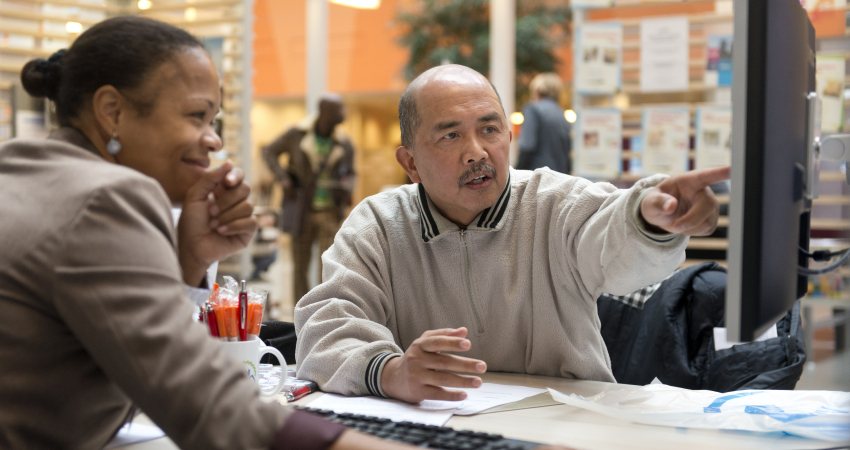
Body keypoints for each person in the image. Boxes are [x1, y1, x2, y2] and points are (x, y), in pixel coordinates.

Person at [0, 15, 415, 450]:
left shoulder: (24, 168)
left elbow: (130, 355)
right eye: (197, 116)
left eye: (214, 121)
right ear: (112, 112)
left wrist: (188, 263)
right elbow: (209, 410)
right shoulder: (108, 198)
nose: (214, 141)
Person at [294, 64, 729, 404]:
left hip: (566, 422)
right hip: (435, 423)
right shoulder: (380, 225)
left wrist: (650, 219)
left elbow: (612, 241)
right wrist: (391, 373)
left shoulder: (554, 203)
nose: (477, 152)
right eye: (450, 135)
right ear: (410, 163)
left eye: (490, 129)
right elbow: (325, 326)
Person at [262, 94, 355, 303]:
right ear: (324, 112)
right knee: (300, 266)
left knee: (329, 264)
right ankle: (301, 310)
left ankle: (324, 309)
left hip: (330, 212)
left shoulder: (344, 143)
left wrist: (346, 188)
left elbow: (351, 173)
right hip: (302, 211)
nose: (343, 115)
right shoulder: (297, 135)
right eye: (338, 110)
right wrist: (283, 178)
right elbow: (269, 152)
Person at [515, 72, 571, 174]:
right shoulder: (561, 113)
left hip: (538, 176)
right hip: (559, 176)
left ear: (537, 90)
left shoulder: (533, 109)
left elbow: (527, 146)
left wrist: (516, 172)